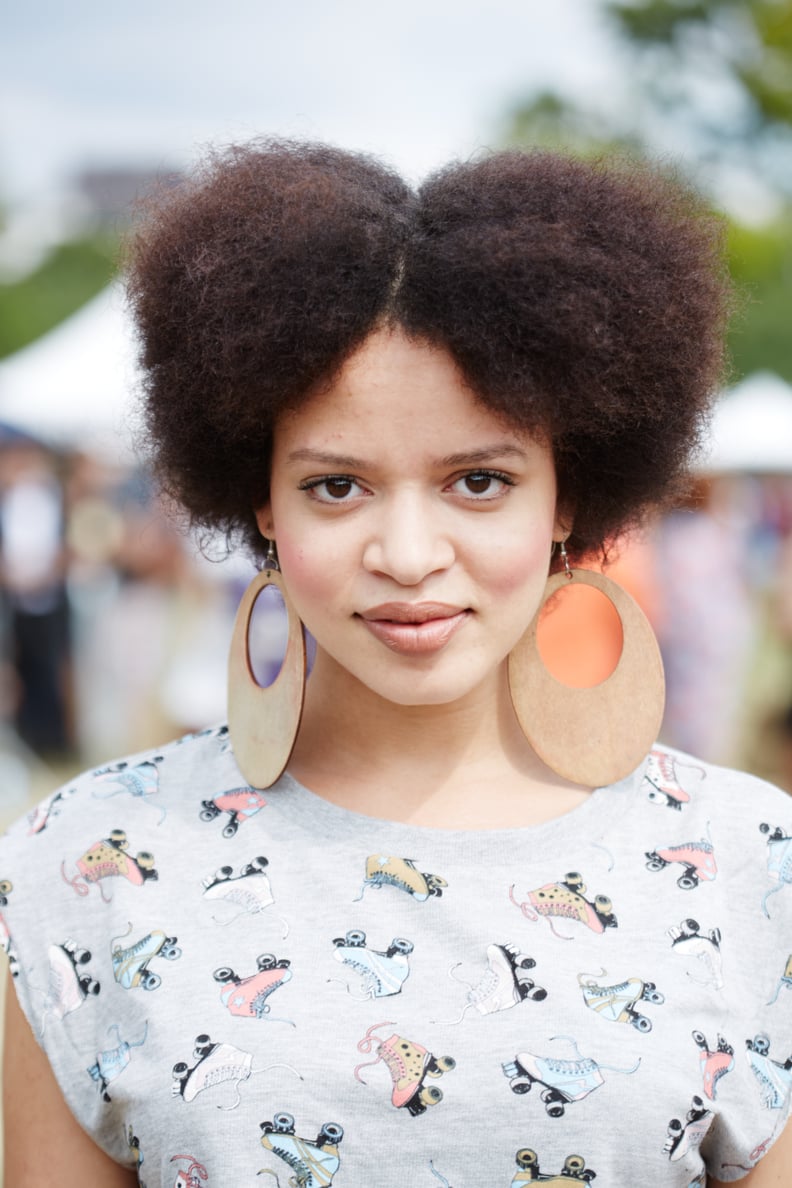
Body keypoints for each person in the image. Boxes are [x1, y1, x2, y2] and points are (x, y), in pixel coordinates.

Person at [1, 140, 789, 1188]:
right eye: (337, 487)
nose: (410, 554)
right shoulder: (84, 862)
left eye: (477, 480)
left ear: (567, 499)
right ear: (259, 503)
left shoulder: (753, 864)